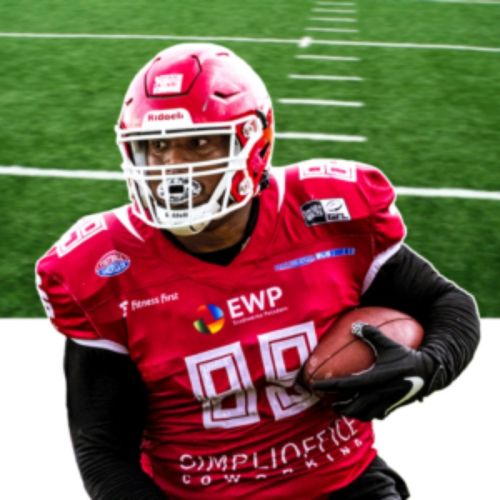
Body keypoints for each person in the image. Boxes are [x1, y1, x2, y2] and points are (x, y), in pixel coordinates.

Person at [35, 43, 480, 499]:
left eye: (199, 143)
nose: (172, 168)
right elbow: (103, 451)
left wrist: (429, 366)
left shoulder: (322, 215)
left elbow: (447, 303)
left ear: (255, 143)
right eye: (157, 145)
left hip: (343, 481)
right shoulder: (107, 267)